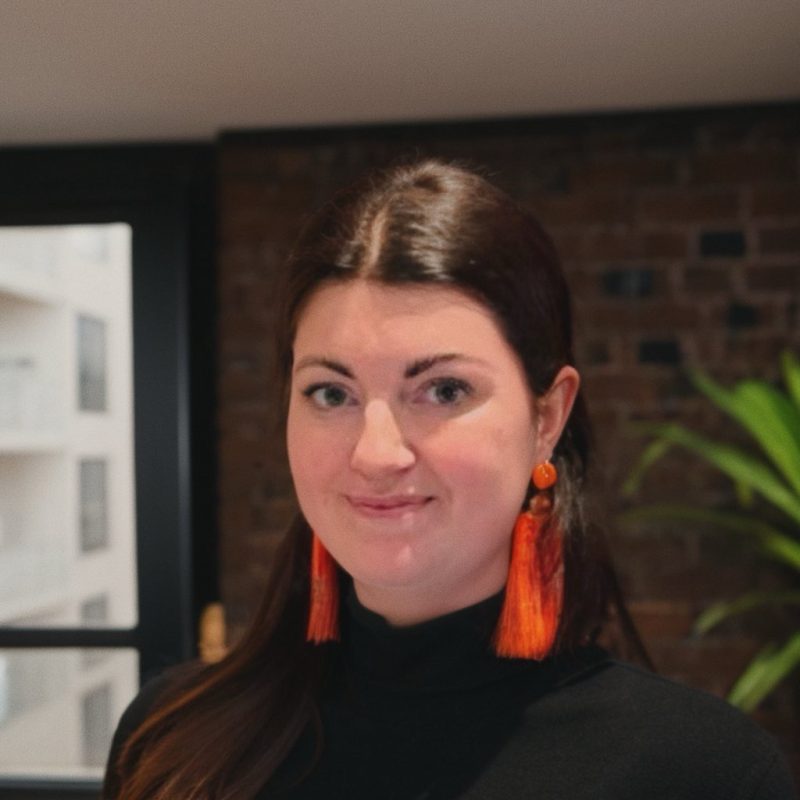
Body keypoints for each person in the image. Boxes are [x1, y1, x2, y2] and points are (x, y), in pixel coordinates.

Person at [104, 160, 796, 799]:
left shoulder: (704, 773)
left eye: (443, 391)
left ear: (547, 416)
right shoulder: (170, 743)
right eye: (330, 394)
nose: (377, 453)